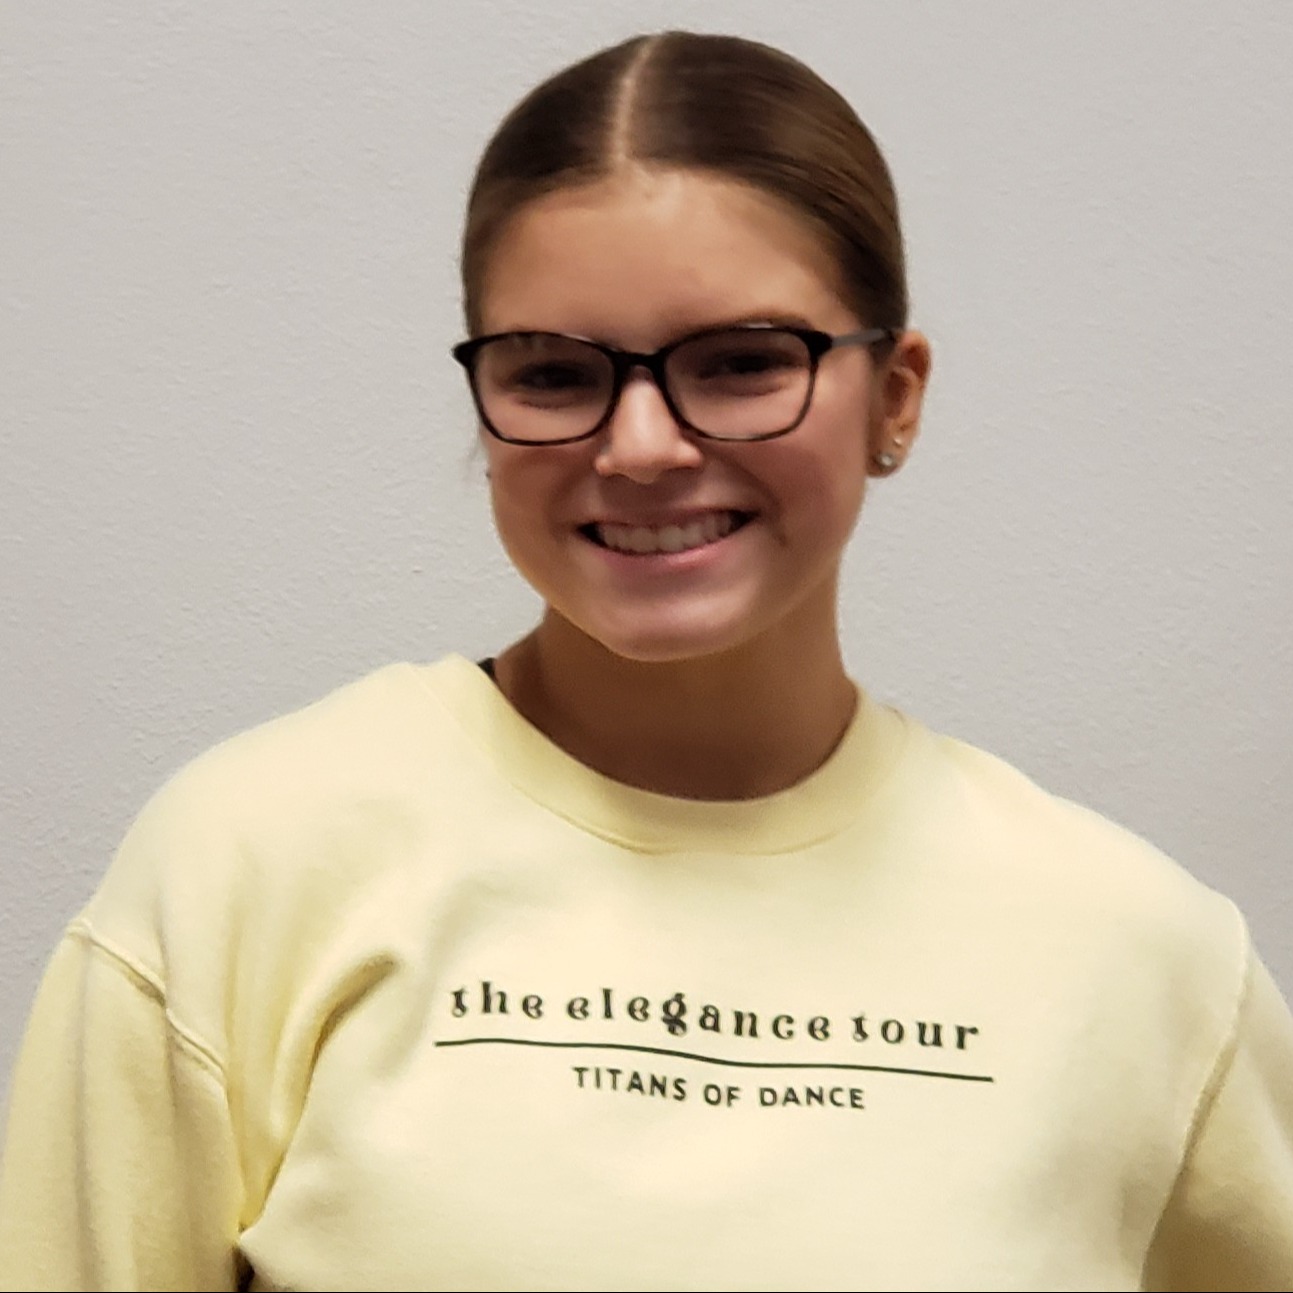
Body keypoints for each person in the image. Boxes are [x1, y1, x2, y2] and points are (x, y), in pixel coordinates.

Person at [2, 28, 1291, 1292]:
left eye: (740, 363)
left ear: (896, 394)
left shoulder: (1145, 960)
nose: (639, 446)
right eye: (555, 373)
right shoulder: (247, 868)